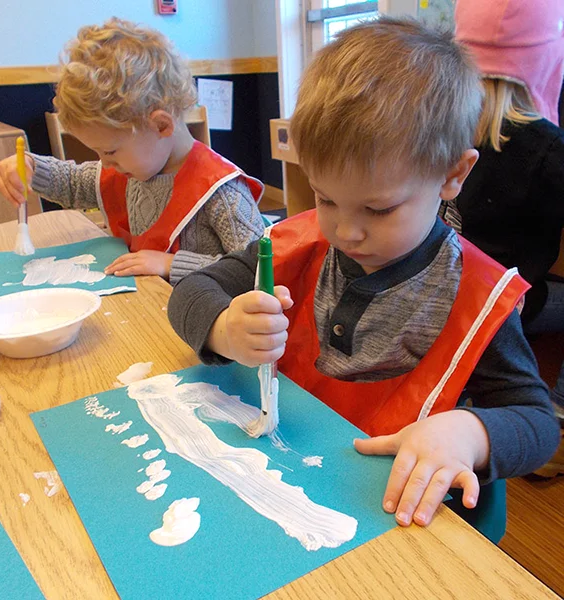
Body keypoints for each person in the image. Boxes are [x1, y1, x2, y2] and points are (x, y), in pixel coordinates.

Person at [168, 17, 560, 533]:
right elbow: (192, 290)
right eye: (327, 198)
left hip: (413, 527)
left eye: (377, 210)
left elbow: (536, 423)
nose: (345, 231)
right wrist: (223, 326)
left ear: (453, 176)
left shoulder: (477, 296)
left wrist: (469, 433)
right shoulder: (297, 243)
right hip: (296, 490)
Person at [0, 18, 264, 285]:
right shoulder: (131, 169)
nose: (105, 163)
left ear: (160, 125)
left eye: (110, 151)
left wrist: (171, 264)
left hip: (207, 322)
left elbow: (259, 267)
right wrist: (31, 168)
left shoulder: (223, 194)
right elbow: (74, 182)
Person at [441, 0, 564, 430]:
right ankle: (559, 415)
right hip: (502, 303)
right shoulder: (548, 147)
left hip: (439, 289)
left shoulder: (441, 125)